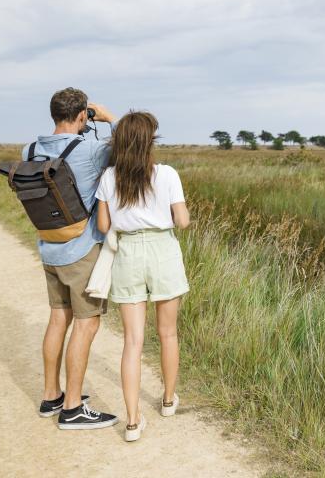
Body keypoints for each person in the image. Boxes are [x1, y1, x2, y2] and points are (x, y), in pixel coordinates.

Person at [25, 87, 119, 429]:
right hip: (80, 251)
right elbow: (132, 150)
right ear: (82, 115)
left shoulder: (31, 149)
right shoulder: (91, 150)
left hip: (49, 246)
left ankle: (52, 396)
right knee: (86, 323)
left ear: (54, 114)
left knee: (57, 320)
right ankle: (73, 407)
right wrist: (109, 119)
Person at [95, 111, 191, 442]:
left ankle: (133, 421)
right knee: (168, 334)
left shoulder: (109, 176)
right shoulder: (167, 174)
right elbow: (182, 221)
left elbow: (104, 226)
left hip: (129, 254)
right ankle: (167, 400)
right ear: (150, 142)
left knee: (133, 342)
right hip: (163, 251)